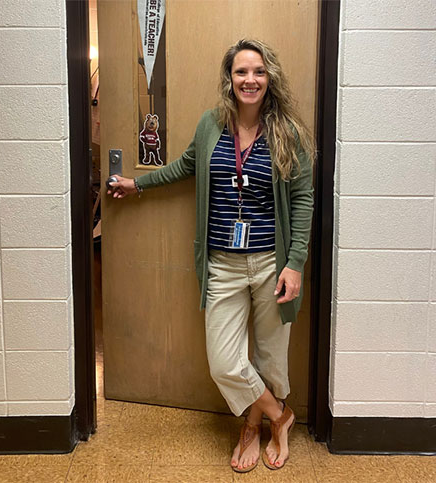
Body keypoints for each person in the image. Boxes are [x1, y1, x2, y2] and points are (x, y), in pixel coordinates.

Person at [107, 38, 315, 473]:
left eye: (258, 71)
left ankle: (252, 429)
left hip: (271, 264)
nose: (250, 80)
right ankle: (282, 416)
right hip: (221, 262)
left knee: (270, 357)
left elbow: (302, 200)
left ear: (269, 77)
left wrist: (295, 262)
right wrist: (137, 184)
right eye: (241, 72)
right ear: (230, 79)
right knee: (225, 362)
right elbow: (186, 165)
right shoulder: (210, 125)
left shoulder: (288, 132)